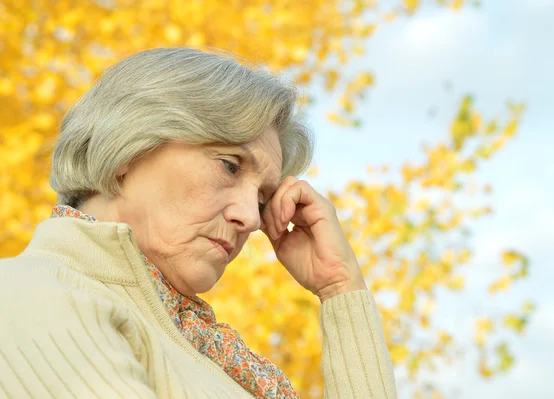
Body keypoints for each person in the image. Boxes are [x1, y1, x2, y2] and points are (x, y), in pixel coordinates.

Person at [0, 48, 397, 398]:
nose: (249, 218)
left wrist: (341, 287)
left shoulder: (192, 341)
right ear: (128, 150)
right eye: (229, 165)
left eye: (262, 199)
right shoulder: (34, 293)